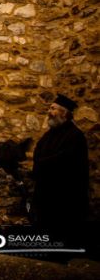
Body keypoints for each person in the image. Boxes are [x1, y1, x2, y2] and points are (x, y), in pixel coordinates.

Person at [31, 94, 89, 247]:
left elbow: (65, 160)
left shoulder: (75, 136)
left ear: (64, 113)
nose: (49, 112)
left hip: (65, 195)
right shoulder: (47, 136)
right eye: (50, 108)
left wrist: (42, 164)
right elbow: (37, 155)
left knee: (63, 234)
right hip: (45, 193)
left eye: (53, 109)